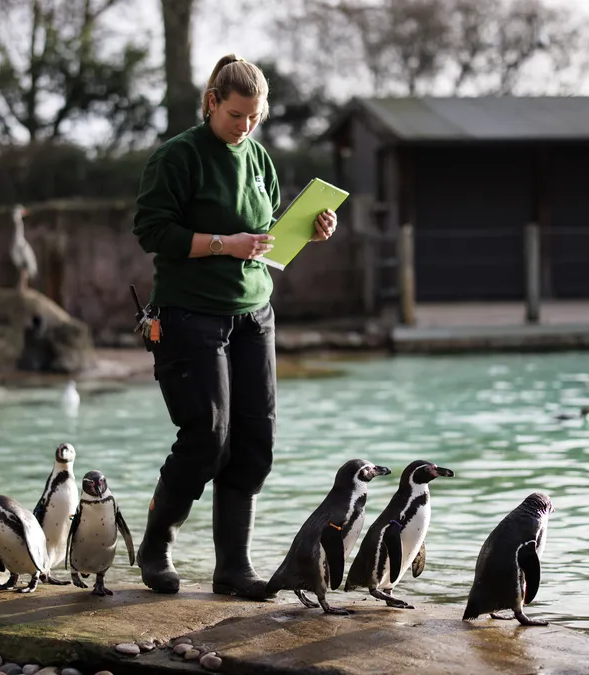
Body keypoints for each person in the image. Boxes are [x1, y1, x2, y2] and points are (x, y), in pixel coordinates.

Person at [131, 53, 338, 600]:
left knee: (255, 441)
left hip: (254, 314)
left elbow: (266, 237)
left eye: (253, 117)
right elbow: (152, 231)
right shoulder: (178, 157)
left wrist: (307, 233)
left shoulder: (260, 158)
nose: (244, 126)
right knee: (207, 438)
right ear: (211, 103)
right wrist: (224, 244)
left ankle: (233, 569)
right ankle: (156, 545)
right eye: (235, 115)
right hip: (188, 313)